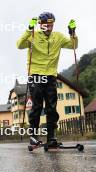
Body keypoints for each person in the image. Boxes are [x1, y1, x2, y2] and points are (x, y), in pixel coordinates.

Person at [17, 12, 77, 147]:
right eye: (46, 25)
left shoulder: (58, 37)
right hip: (36, 76)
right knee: (37, 107)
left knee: (51, 108)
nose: (49, 27)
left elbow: (73, 45)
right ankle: (33, 137)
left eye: (51, 24)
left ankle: (51, 138)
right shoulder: (34, 36)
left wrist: (72, 33)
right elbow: (19, 45)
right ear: (40, 25)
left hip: (50, 76)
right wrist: (29, 29)